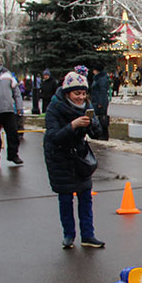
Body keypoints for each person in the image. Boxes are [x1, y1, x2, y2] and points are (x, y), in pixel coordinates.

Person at [43, 72, 104, 249]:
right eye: (77, 93)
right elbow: (53, 136)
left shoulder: (86, 106)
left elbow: (97, 133)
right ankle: (68, 234)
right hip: (59, 157)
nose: (81, 97)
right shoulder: (55, 108)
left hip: (79, 157)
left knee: (85, 197)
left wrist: (92, 123)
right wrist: (73, 126)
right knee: (66, 198)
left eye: (83, 93)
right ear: (67, 92)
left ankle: (88, 235)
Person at [90, 65, 111, 140]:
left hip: (100, 101)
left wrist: (100, 103)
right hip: (96, 101)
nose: (93, 72)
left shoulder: (101, 79)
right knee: (98, 117)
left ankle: (103, 134)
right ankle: (99, 133)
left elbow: (102, 91)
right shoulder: (97, 78)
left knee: (102, 118)